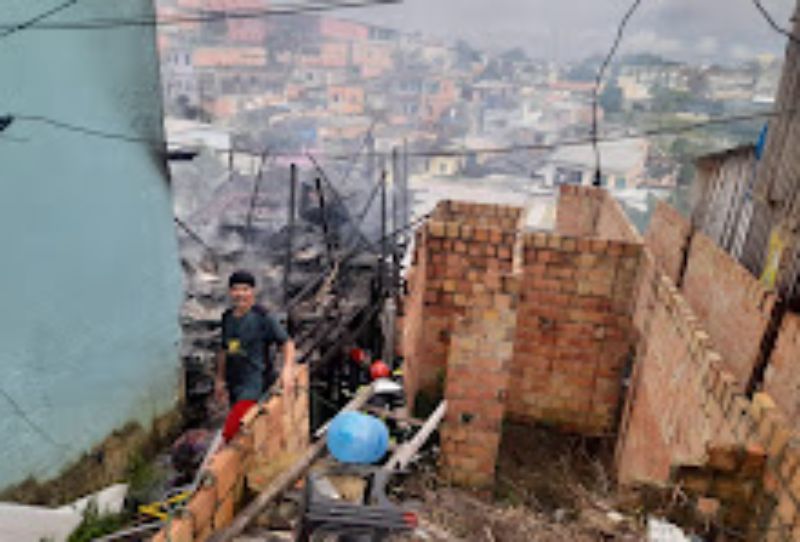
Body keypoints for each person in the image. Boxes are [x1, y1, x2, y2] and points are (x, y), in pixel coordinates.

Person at [215, 270, 296, 441]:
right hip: (234, 383)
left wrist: (287, 369)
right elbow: (224, 349)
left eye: (245, 289)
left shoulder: (263, 317)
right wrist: (220, 380)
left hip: (255, 384)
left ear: (253, 292)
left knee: (232, 431)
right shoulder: (227, 317)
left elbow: (287, 343)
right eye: (236, 289)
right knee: (246, 431)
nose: (240, 294)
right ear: (230, 292)